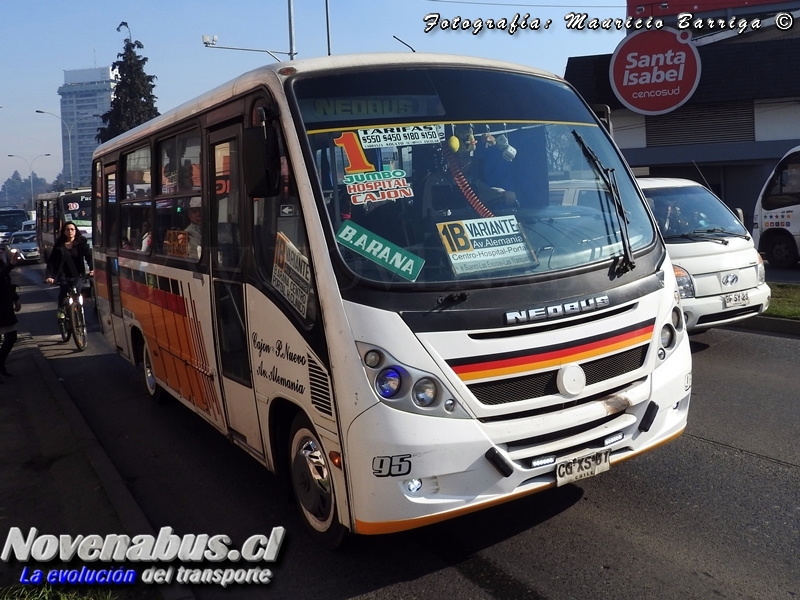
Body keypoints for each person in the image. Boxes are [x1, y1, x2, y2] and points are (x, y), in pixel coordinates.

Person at [45, 222, 93, 319]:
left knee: (77, 292)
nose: (70, 231)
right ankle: (61, 310)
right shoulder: (59, 245)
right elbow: (51, 261)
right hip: (63, 274)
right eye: (67, 229)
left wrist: (92, 269)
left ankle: (78, 314)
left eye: (72, 229)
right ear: (64, 231)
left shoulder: (81, 243)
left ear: (76, 231)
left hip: (77, 274)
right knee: (64, 292)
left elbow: (89, 257)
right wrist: (49, 276)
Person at [0, 250, 22, 381]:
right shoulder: (5, 267)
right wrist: (10, 266)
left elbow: (6, 284)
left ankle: (1, 365)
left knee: (11, 337)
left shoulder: (3, 265)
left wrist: (16, 298)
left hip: (5, 307)